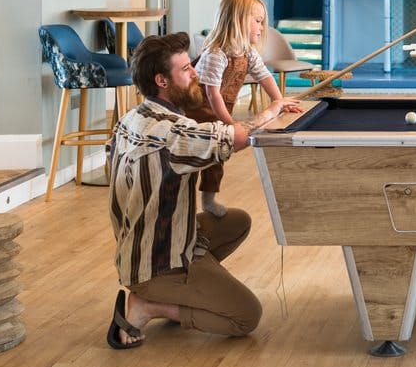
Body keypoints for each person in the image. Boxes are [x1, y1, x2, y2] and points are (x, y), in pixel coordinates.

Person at [105, 32, 301, 349]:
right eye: (185, 69)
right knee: (246, 316)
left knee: (235, 221)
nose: (195, 72)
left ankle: (187, 288)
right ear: (162, 81)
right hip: (158, 262)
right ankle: (150, 304)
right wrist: (273, 109)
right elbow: (235, 138)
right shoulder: (170, 131)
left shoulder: (132, 117)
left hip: (138, 246)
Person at [193, 0, 298, 217]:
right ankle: (183, 201)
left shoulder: (247, 52)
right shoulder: (216, 53)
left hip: (221, 108)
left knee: (216, 158)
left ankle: (208, 200)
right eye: (258, 21)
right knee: (197, 156)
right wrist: (231, 125)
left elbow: (265, 77)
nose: (262, 28)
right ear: (239, 20)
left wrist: (279, 101)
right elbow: (212, 95)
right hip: (198, 111)